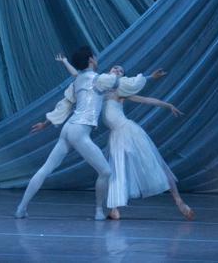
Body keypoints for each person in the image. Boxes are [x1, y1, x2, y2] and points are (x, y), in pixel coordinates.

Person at [14, 46, 166, 221]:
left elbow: (64, 104)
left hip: (68, 129)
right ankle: (98, 211)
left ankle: (21, 208)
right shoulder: (99, 80)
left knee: (46, 169)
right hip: (79, 130)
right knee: (106, 172)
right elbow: (127, 84)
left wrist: (45, 123)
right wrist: (150, 77)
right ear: (92, 59)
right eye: (95, 57)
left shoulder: (78, 81)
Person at [57, 56, 194, 220]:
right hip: (116, 136)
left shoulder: (119, 90)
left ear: (122, 77)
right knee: (115, 171)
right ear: (110, 71)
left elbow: (146, 100)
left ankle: (179, 201)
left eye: (121, 70)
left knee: (155, 164)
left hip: (129, 131)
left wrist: (167, 104)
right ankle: (114, 209)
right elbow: (79, 76)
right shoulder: (98, 88)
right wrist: (65, 62)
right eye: (115, 67)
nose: (117, 70)